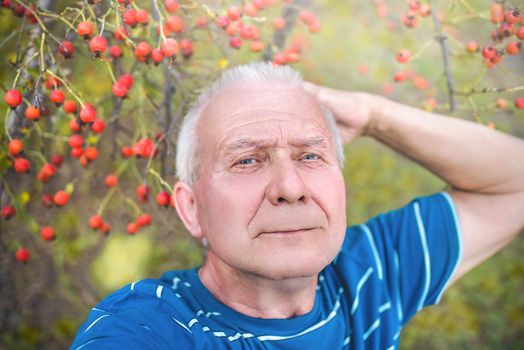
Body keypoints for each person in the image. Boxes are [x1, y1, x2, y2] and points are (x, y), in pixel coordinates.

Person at [70, 62, 524, 349]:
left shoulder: (368, 279)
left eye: (310, 155)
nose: (290, 187)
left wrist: (372, 116)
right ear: (191, 209)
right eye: (248, 160)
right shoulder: (152, 328)